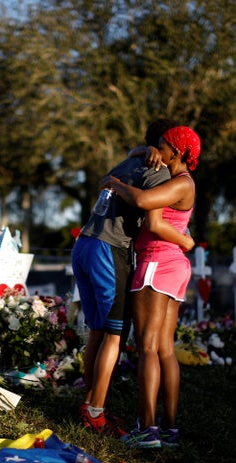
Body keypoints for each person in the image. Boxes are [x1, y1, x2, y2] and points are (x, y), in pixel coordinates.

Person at [71, 119, 194, 438]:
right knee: (115, 333)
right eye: (163, 144)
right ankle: (96, 411)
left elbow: (105, 181)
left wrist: (122, 170)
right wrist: (184, 240)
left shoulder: (132, 160)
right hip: (110, 248)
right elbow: (150, 216)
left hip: (84, 242)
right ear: (163, 147)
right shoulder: (160, 171)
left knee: (98, 331)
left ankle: (91, 405)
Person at [104, 125, 201, 448]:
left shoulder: (180, 183)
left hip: (157, 264)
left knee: (147, 348)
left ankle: (148, 429)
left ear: (178, 152)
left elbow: (146, 206)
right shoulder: (176, 179)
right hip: (171, 266)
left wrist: (115, 184)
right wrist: (145, 151)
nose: (157, 147)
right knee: (164, 349)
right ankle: (169, 428)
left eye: (163, 145)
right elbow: (139, 153)